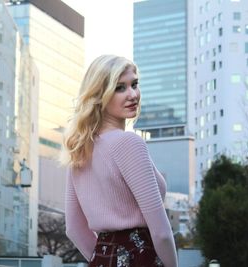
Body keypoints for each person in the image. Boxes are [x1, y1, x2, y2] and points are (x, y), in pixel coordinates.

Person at [61, 55, 178, 267]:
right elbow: (161, 233)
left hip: (101, 258)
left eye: (134, 84)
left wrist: (106, 260)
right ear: (99, 95)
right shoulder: (128, 143)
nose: (133, 94)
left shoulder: (79, 150)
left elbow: (74, 229)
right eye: (120, 88)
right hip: (142, 257)